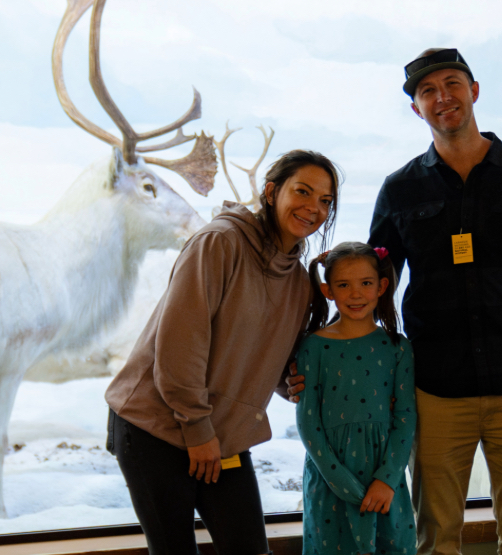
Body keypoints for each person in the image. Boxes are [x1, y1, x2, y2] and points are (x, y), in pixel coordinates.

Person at [368, 48, 502, 555]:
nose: (442, 97)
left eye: (452, 84)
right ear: (416, 109)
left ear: (474, 91)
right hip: (436, 392)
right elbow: (372, 287)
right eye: (427, 92)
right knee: (436, 541)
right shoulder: (400, 189)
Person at [105, 149, 342, 555]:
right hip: (156, 426)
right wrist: (197, 430)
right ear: (271, 191)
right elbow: (181, 344)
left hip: (223, 436)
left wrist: (290, 381)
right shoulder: (220, 242)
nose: (313, 208)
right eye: (302, 191)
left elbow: (259, 350)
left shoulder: (298, 280)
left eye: (325, 201)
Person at [296, 242, 417, 555]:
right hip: (330, 481)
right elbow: (309, 425)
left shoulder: (398, 347)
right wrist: (342, 483)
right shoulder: (313, 348)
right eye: (343, 285)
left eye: (365, 283)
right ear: (328, 290)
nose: (355, 294)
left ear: (382, 286)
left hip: (385, 481)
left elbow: (405, 417)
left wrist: (387, 479)